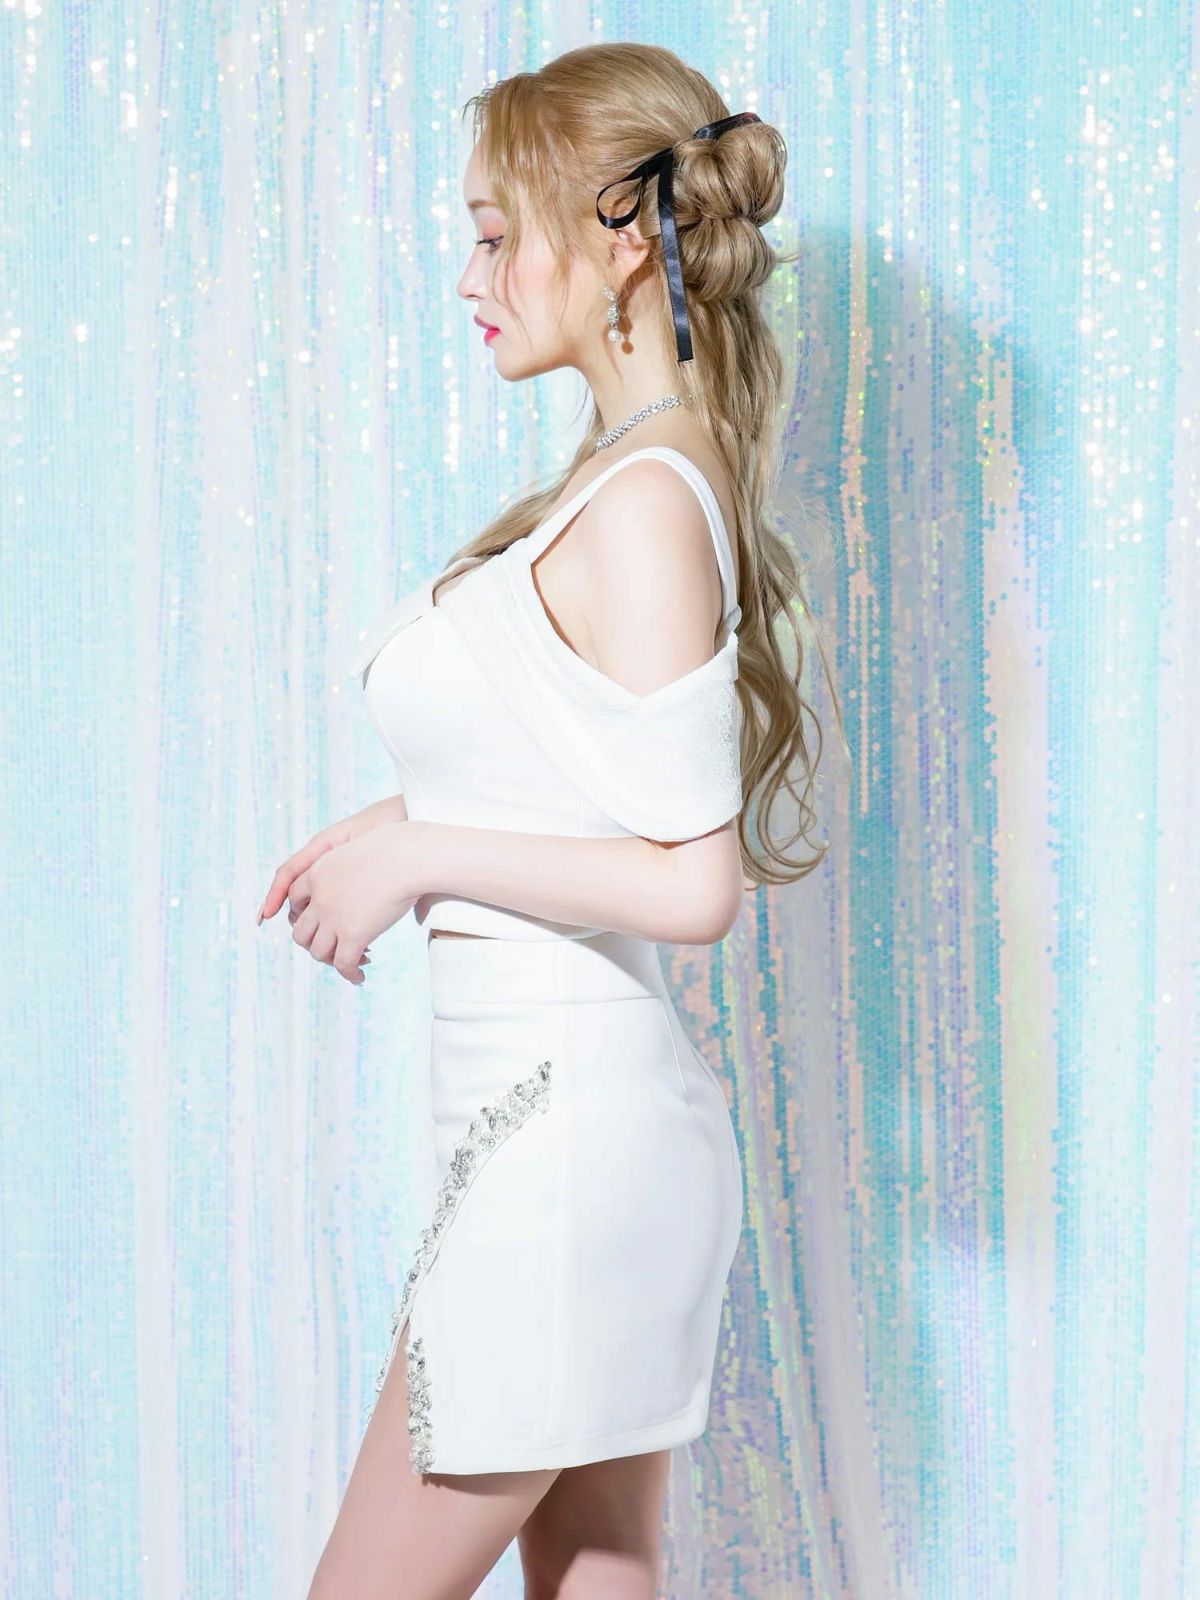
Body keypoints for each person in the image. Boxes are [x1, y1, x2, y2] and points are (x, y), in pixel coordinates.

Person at [259, 41, 839, 1600]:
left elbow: (693, 881)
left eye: (496, 234)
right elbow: (582, 770)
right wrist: (397, 818)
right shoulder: (636, 476)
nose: (471, 277)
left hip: (563, 1150)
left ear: (627, 235)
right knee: (600, 1577)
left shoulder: (646, 502)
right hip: (566, 1137)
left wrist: (420, 855)